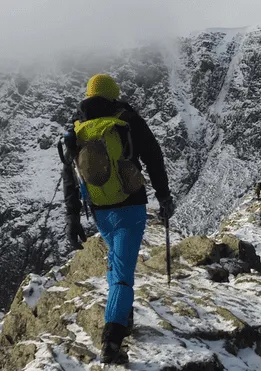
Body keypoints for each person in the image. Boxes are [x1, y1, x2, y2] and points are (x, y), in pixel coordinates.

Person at [62, 74, 175, 364]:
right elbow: (153, 156)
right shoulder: (127, 120)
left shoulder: (77, 128)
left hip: (99, 209)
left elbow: (69, 177)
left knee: (116, 260)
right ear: (113, 95)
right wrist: (163, 195)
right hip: (131, 207)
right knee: (123, 276)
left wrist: (72, 217)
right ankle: (112, 339)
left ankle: (124, 316)